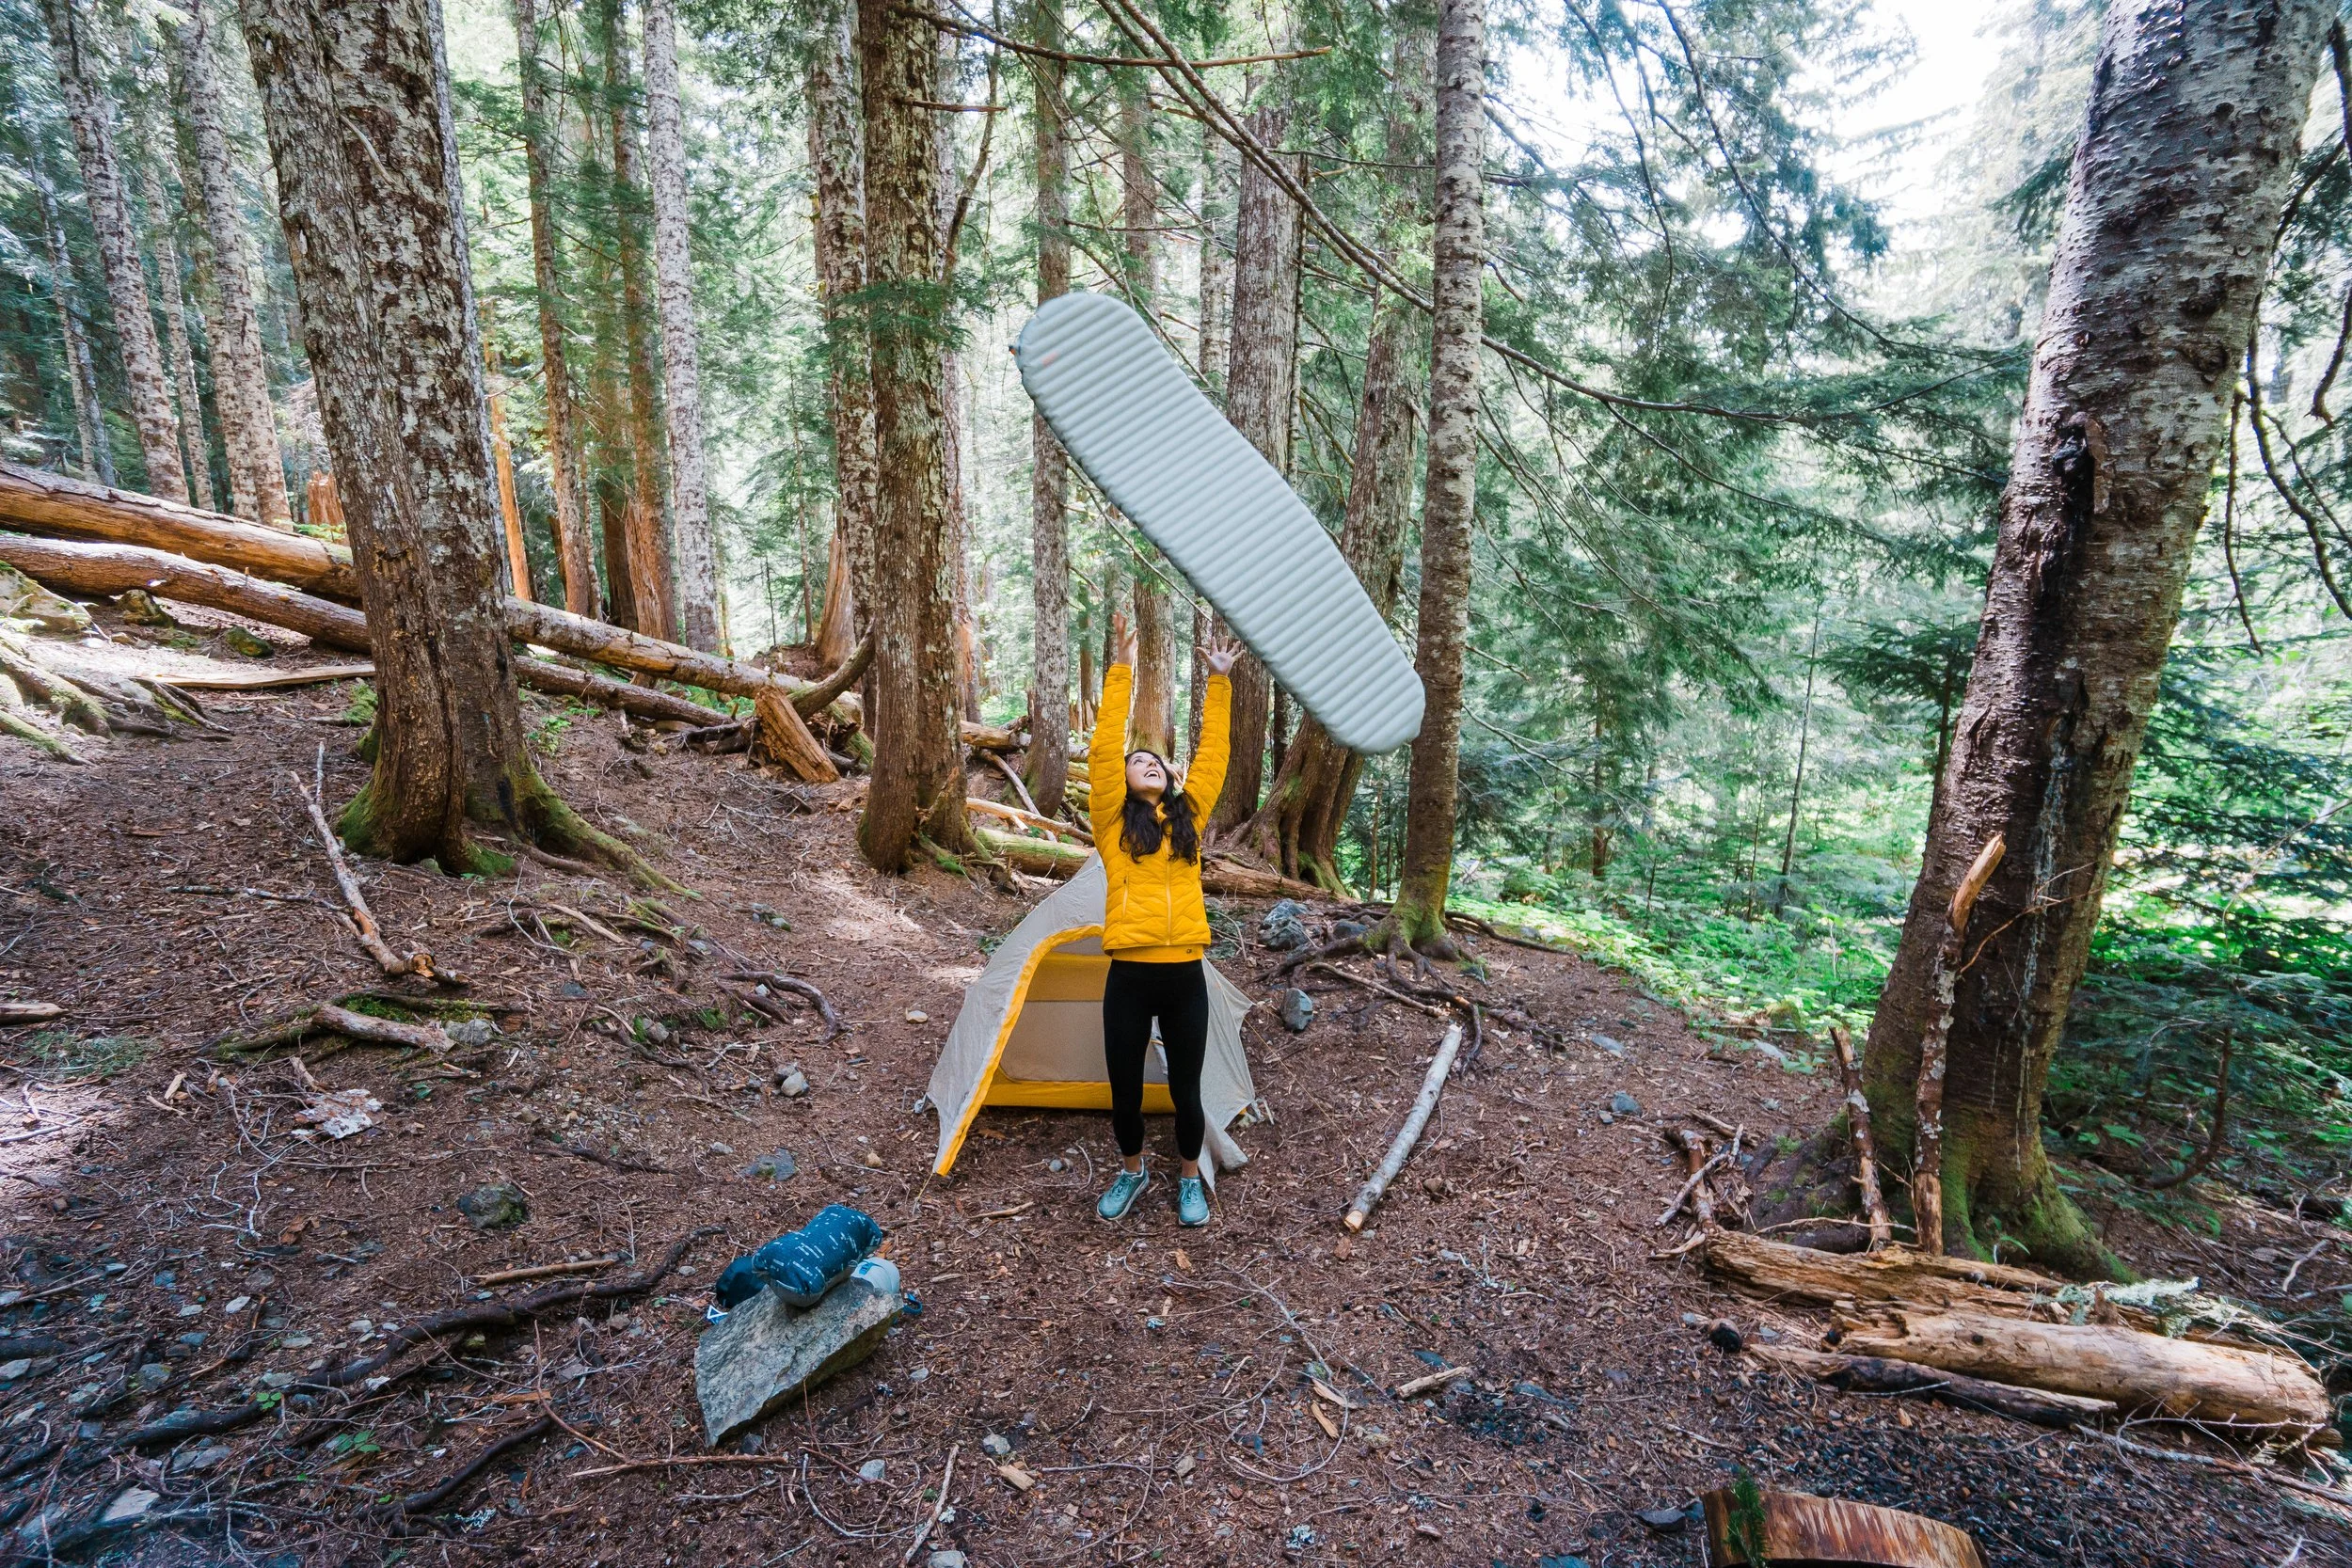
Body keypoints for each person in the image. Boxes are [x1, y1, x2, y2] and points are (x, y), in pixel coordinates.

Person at [1089, 610, 1239, 1227]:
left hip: (1184, 976)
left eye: (1157, 760)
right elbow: (1103, 748)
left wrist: (1221, 682)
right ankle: (1131, 1171)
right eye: (1139, 759)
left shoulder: (1188, 821)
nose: (1149, 761)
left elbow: (1213, 757)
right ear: (1123, 781)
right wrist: (1121, 671)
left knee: (1186, 1091)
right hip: (1128, 974)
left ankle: (1187, 1180)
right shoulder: (1111, 823)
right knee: (1124, 1088)